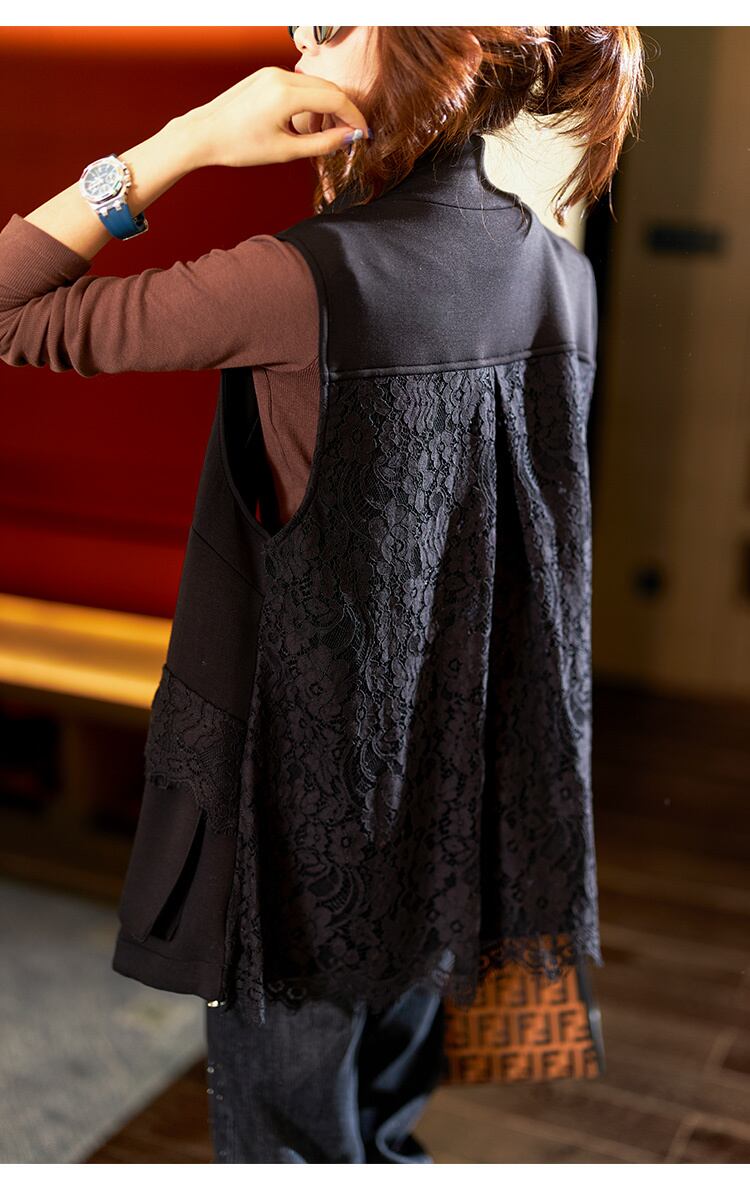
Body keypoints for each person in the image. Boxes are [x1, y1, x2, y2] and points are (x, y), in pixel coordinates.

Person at [0, 26, 646, 1163]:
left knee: (285, 1148)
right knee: (382, 1131)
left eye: (332, 22)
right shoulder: (565, 276)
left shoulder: (299, 280)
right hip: (461, 801)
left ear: (439, 49)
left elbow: (10, 306)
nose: (299, 40)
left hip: (300, 838)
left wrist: (185, 140)